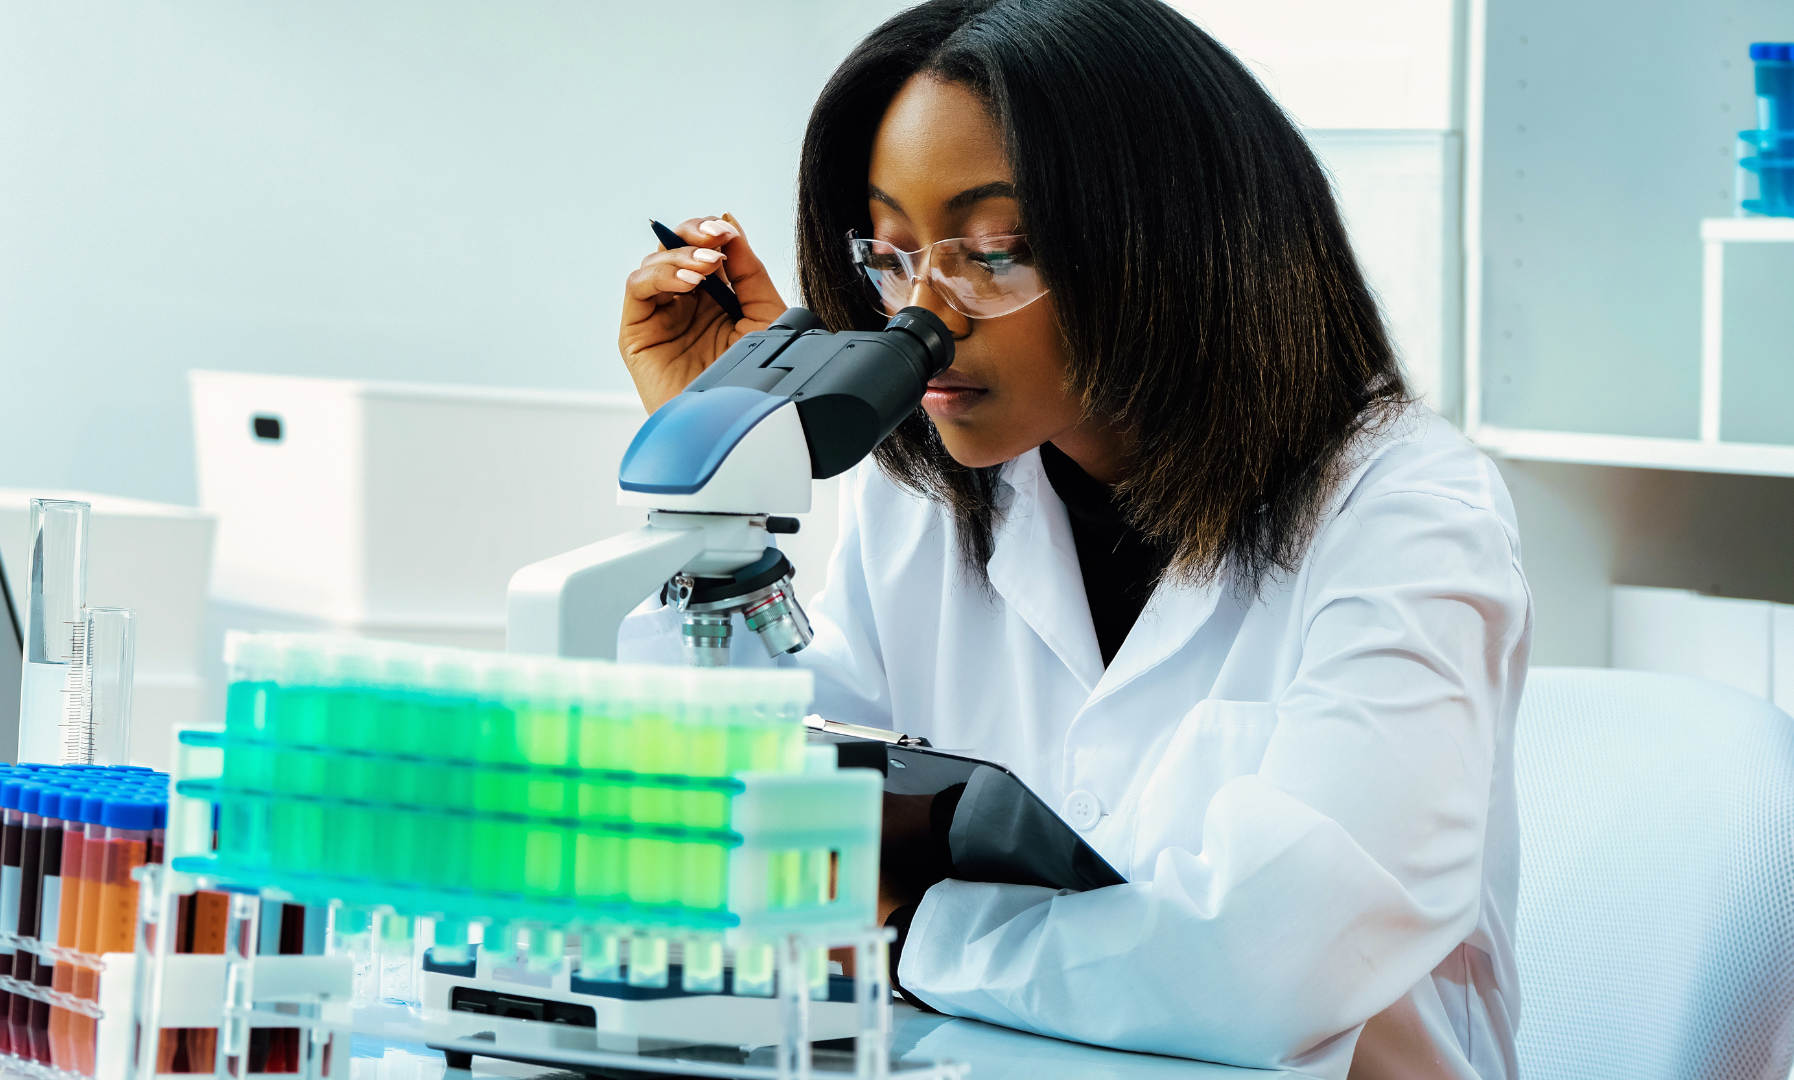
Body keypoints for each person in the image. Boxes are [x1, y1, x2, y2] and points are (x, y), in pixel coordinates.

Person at [614, 2, 1531, 1078]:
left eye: (996, 252)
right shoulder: (929, 498)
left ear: (1179, 240)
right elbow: (708, 811)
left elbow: (1271, 965)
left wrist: (908, 930)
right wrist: (730, 479)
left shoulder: (1404, 511)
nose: (924, 315)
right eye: (891, 255)